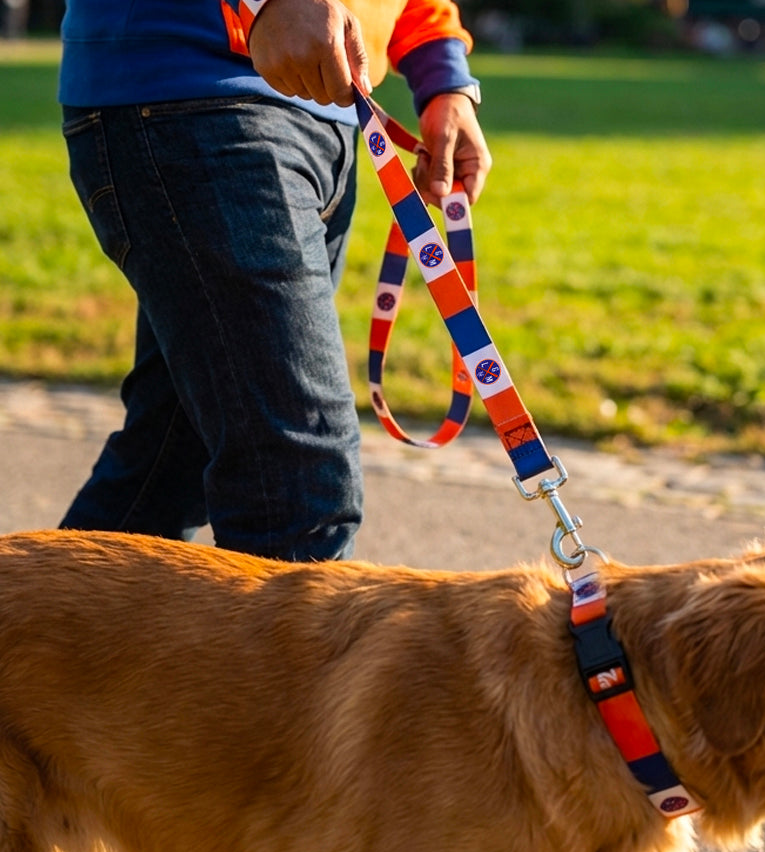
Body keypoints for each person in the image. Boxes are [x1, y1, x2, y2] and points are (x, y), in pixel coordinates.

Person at [57, 0, 492, 561]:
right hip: (198, 98)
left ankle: (27, 618)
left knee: (169, 464)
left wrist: (443, 79)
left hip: (329, 117)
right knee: (299, 492)